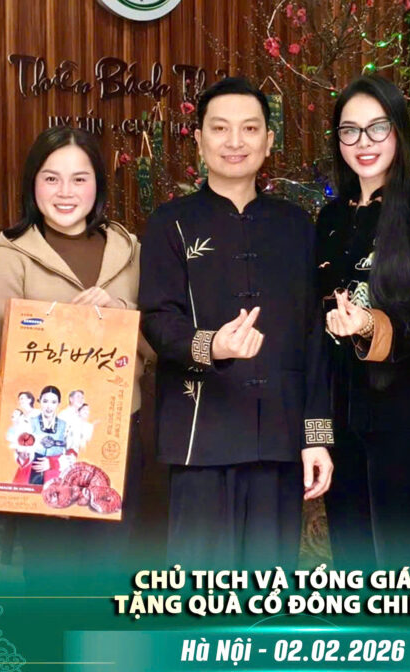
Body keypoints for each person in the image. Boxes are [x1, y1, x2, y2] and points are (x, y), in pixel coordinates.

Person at [139, 77, 333, 568]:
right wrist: (212, 346)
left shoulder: (297, 226)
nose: (235, 141)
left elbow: (314, 336)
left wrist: (316, 437)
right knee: (198, 588)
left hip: (280, 437)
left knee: (269, 588)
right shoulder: (169, 223)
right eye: (220, 128)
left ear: (269, 140)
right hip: (199, 435)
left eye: (249, 128)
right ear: (199, 139)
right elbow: (158, 320)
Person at [0, 125, 146, 586]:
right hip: (45, 441)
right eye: (51, 178)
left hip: (117, 433)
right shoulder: (10, 257)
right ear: (33, 183)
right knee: (52, 574)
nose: (65, 192)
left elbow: (155, 338)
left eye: (79, 178)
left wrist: (118, 312)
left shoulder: (128, 250)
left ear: (98, 184)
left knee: (113, 570)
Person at [315, 75, 410, 570]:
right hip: (341, 412)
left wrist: (369, 324)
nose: (363, 142)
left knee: (406, 564)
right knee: (351, 561)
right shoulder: (328, 218)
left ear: (398, 132)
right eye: (349, 131)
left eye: (377, 128)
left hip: (406, 413)